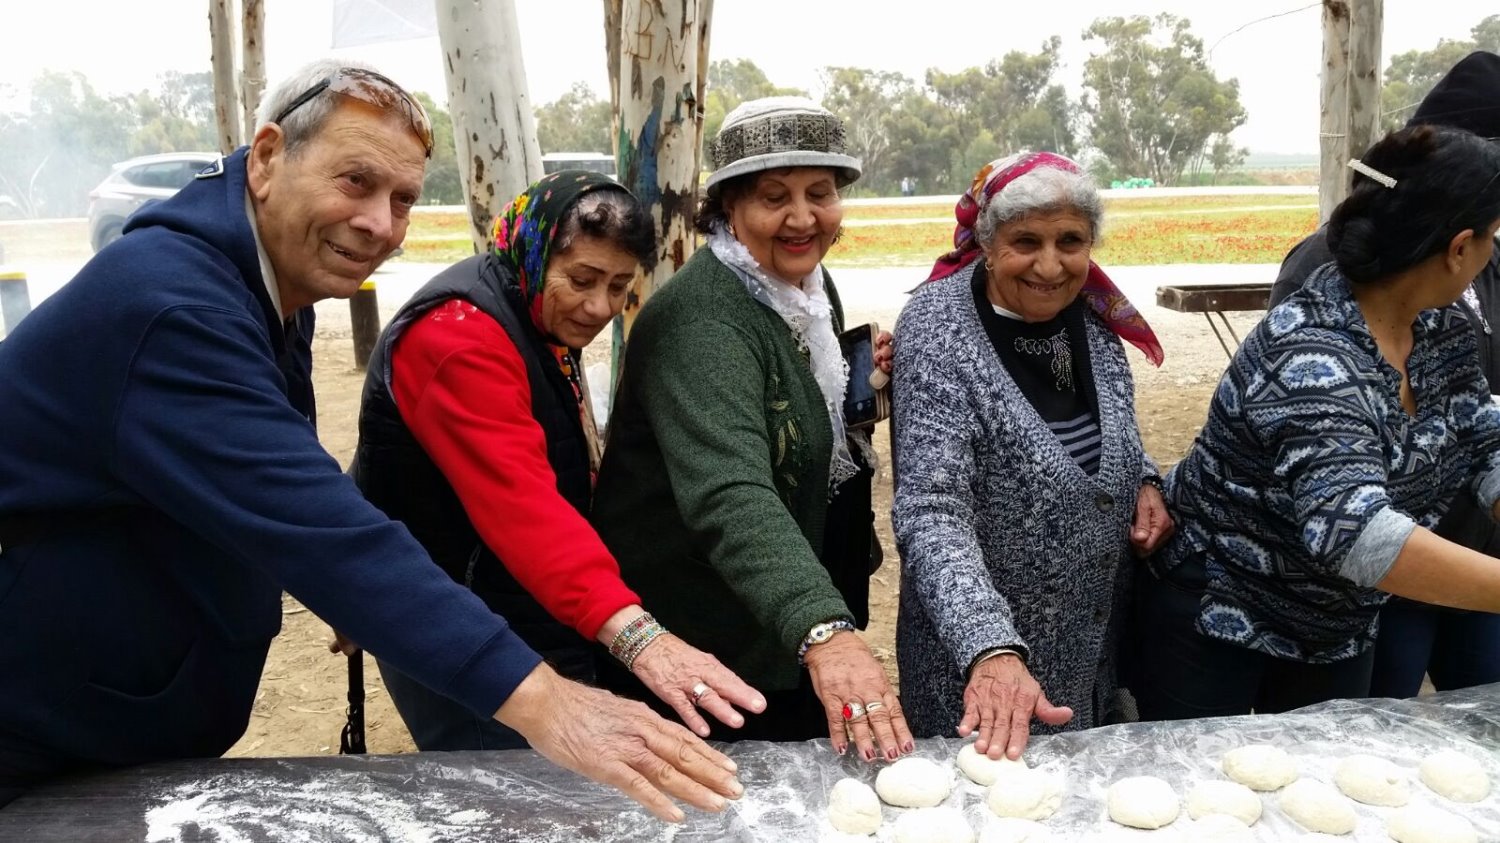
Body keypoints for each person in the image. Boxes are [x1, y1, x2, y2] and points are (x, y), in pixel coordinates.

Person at [0, 59, 741, 822]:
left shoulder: (271, 282)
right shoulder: (176, 311)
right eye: (354, 181)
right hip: (34, 713)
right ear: (264, 158)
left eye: (404, 200)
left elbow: (289, 469)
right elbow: (326, 527)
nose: (381, 224)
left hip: (104, 704)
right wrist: (555, 697)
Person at [350, 170, 764, 751]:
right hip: (463, 619)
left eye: (620, 286)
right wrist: (640, 638)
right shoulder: (459, 338)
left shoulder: (530, 317)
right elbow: (524, 509)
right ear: (534, 249)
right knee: (513, 793)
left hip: (523, 602)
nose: (600, 307)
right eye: (582, 279)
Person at [1134, 124, 1500, 721]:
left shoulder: (1440, 330)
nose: (1492, 253)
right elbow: (1353, 533)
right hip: (1221, 610)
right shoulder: (1311, 355)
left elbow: (1484, 442)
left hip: (1336, 621)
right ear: (1459, 248)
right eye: (1492, 237)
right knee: (1200, 795)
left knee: (1325, 784)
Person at [590, 97, 913, 763]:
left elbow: (794, 431)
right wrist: (823, 630)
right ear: (728, 209)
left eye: (819, 193)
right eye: (774, 197)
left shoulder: (807, 291)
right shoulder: (704, 320)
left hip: (772, 630)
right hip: (712, 648)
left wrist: (856, 398)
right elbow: (731, 490)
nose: (803, 218)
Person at [891, 152, 1172, 760]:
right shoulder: (939, 330)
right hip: (978, 678)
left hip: (1090, 647)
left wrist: (1143, 478)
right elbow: (931, 509)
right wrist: (989, 647)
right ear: (987, 243)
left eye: (1070, 240)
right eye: (1026, 241)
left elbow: (1112, 433)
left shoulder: (1093, 319)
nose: (1050, 264)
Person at [1267, 51, 1500, 700]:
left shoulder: (1483, 255)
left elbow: (1475, 415)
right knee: (1375, 733)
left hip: (1472, 537)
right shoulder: (1330, 267)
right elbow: (1333, 471)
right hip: (1378, 558)